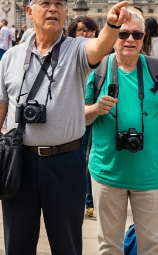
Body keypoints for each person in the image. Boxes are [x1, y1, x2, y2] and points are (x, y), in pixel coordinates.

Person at [0, 0, 132, 255]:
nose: (53, 9)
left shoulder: (76, 49)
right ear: (29, 11)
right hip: (18, 162)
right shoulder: (11, 56)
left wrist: (112, 25)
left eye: (59, 4)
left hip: (65, 163)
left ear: (66, 13)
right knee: (18, 245)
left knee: (67, 245)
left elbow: (101, 46)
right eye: (45, 3)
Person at [85, 11, 158, 255]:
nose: (130, 39)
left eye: (136, 34)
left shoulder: (157, 69)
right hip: (107, 173)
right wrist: (96, 108)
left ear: (144, 37)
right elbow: (80, 117)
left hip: (150, 174)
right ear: (113, 36)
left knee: (152, 247)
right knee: (109, 247)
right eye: (123, 33)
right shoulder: (96, 70)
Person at [66, 16, 99, 220]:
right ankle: (81, 200)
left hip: (94, 112)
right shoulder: (69, 55)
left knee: (89, 158)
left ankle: (89, 202)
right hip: (73, 113)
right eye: (81, 30)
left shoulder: (102, 55)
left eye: (90, 30)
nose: (86, 34)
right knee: (78, 159)